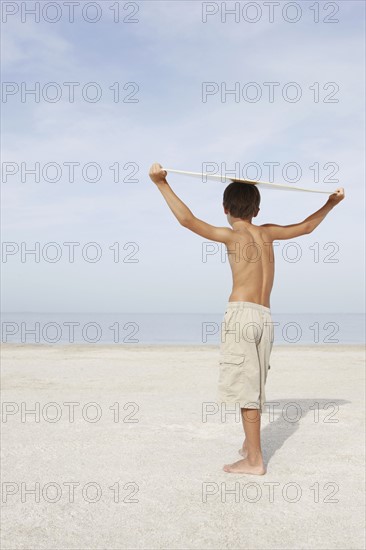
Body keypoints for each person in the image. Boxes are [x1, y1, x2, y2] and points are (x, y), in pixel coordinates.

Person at [149, 162, 345, 474]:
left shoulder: (231, 236)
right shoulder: (267, 234)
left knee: (246, 389)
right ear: (257, 208)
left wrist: (160, 183)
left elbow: (187, 220)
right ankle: (249, 446)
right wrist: (331, 203)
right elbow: (307, 227)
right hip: (265, 316)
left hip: (241, 315)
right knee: (255, 385)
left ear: (225, 207)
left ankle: (254, 460)